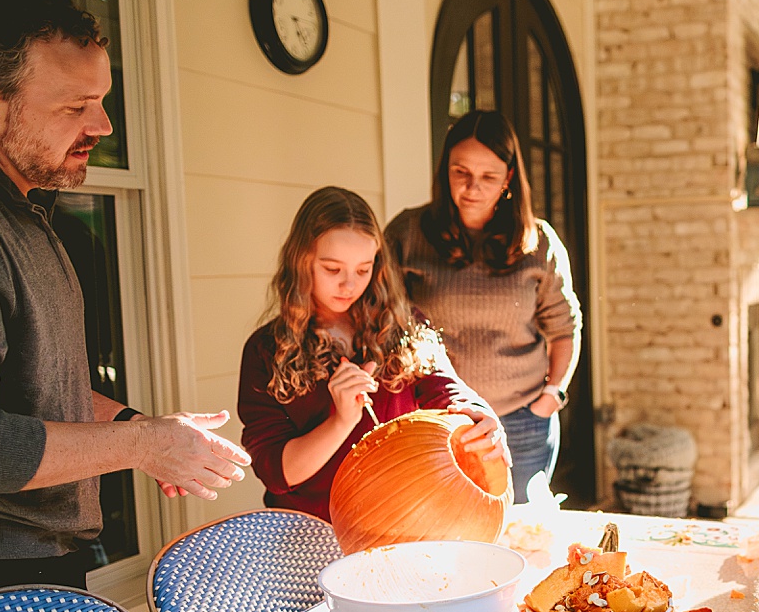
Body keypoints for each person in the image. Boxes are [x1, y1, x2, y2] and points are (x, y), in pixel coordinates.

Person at [0, 0, 250, 601]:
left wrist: (143, 431)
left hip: (32, 568)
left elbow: (35, 390)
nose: (103, 125)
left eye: (102, 100)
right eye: (74, 106)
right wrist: (141, 443)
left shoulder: (19, 206)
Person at [238, 186, 507, 518]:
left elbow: (445, 388)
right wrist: (340, 422)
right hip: (310, 530)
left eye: (363, 269)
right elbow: (277, 473)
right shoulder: (265, 351)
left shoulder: (403, 325)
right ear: (301, 261)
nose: (349, 285)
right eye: (332, 269)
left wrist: (481, 414)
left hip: (401, 519)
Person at [386, 110, 581, 502]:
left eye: (489, 176)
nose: (472, 188)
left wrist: (552, 396)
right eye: (461, 172)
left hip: (524, 419)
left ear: (509, 177)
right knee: (449, 534)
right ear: (446, 171)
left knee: (523, 535)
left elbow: (564, 328)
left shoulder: (538, 241)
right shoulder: (407, 233)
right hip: (440, 419)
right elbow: (382, 321)